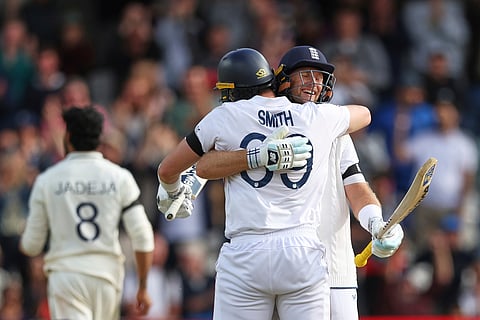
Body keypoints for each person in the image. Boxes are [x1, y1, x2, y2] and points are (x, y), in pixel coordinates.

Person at [157, 47, 371, 319]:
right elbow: (364, 114)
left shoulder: (225, 115)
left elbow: (168, 168)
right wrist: (259, 156)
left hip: (246, 251)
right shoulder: (316, 116)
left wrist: (175, 190)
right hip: (302, 251)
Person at [19, 106, 154, 320]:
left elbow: (31, 245)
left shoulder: (47, 181)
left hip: (66, 276)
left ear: (68, 136)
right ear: (99, 139)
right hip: (107, 277)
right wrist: (143, 287)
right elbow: (144, 237)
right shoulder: (119, 177)